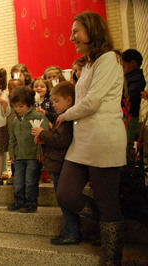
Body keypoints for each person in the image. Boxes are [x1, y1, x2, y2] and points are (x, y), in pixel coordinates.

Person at [55, 12, 127, 265]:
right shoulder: (87, 64)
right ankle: (112, 225)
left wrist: (66, 114)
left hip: (104, 137)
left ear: (92, 31)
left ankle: (111, 258)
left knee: (108, 203)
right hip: (83, 138)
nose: (72, 37)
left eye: (76, 31)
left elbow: (93, 101)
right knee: (66, 193)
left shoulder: (109, 59)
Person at [31, 81, 80, 245]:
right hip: (57, 163)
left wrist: (43, 133)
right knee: (62, 200)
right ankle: (69, 231)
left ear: (69, 100)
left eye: (57, 101)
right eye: (53, 101)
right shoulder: (64, 118)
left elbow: (61, 140)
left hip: (61, 164)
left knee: (65, 200)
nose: (54, 104)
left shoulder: (68, 119)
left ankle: (72, 233)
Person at [7, 87, 49, 213]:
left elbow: (43, 136)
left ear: (29, 104)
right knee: (18, 181)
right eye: (15, 106)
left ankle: (31, 202)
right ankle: (19, 201)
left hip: (33, 157)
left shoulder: (37, 117)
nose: (17, 109)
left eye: (20, 106)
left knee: (31, 181)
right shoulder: (15, 121)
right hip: (19, 156)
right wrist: (12, 153)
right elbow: (12, 138)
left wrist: (39, 152)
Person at [121, 49, 146, 143]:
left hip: (130, 117)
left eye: (123, 66)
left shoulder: (138, 79)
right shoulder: (129, 77)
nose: (122, 70)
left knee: (126, 143)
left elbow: (129, 98)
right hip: (124, 116)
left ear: (132, 63)